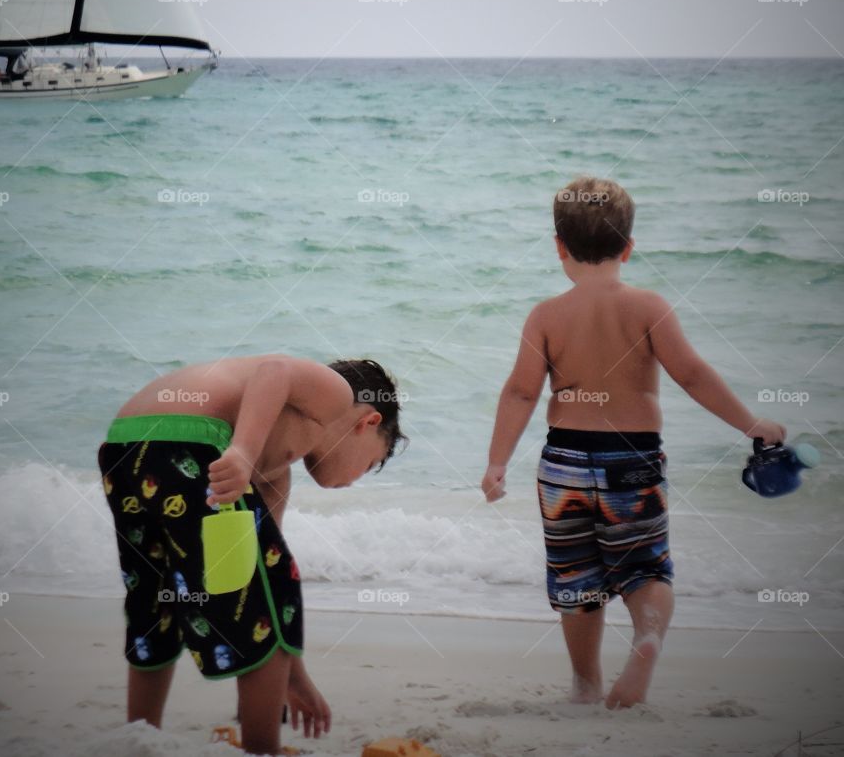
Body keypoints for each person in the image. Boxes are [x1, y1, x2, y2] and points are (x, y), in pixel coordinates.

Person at [481, 176, 786, 709]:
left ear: (558, 247)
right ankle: (645, 638)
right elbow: (692, 374)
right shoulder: (649, 307)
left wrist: (496, 463)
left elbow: (521, 391)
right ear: (628, 246)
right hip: (633, 460)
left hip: (564, 464)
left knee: (578, 578)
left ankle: (584, 685)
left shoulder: (546, 315)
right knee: (646, 568)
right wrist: (750, 423)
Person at [98, 355, 406, 755]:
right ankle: (262, 750)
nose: (355, 479)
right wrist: (242, 452)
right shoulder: (337, 393)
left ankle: (139, 738)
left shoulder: (274, 468)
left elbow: (253, 574)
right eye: (370, 463)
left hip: (124, 446)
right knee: (274, 593)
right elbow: (274, 371)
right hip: (188, 440)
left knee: (157, 598)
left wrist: (294, 678)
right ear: (369, 422)